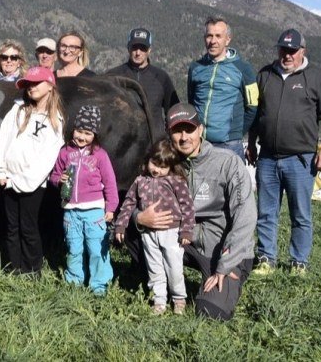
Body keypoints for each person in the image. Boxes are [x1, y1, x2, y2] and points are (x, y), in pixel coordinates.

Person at [125, 103, 256, 321]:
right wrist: (139, 217)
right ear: (169, 133)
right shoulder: (164, 162)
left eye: (190, 129)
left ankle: (225, 280)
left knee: (210, 312)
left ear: (200, 130)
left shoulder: (228, 163)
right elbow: (133, 197)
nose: (184, 137)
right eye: (177, 131)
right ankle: (160, 282)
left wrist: (227, 263)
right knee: (131, 231)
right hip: (182, 239)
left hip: (221, 248)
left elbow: (246, 216)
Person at [246, 29, 321, 275]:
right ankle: (266, 258)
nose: (287, 55)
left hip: (301, 160)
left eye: (292, 51)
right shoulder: (264, 74)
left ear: (302, 52)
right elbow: (256, 114)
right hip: (266, 158)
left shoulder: (316, 78)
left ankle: (299, 262)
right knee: (266, 212)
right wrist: (251, 142)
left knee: (300, 214)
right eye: (283, 50)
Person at [0, 66, 65, 274]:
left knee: (29, 227)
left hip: (32, 184)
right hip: (7, 179)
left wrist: (21, 181)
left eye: (36, 83)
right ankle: (14, 267)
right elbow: (2, 140)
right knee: (11, 227)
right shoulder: (18, 111)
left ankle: (32, 270)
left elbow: (46, 160)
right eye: (28, 84)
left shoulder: (54, 122)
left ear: (50, 86)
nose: (31, 87)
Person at [115, 139, 195, 314]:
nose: (157, 170)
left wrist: (187, 229)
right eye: (154, 163)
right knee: (155, 267)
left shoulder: (176, 181)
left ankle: (179, 298)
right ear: (148, 160)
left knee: (174, 267)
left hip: (171, 232)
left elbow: (187, 206)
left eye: (163, 167)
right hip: (148, 234)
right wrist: (120, 225)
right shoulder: (140, 181)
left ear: (171, 167)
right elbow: (128, 203)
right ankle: (159, 300)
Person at [50, 105, 118, 295]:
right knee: (74, 248)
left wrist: (111, 207)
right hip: (70, 211)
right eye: (79, 131)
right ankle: (74, 281)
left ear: (95, 135)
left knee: (97, 249)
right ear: (73, 129)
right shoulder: (64, 152)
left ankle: (99, 285)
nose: (82, 137)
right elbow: (54, 176)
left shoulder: (100, 155)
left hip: (94, 212)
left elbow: (110, 183)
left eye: (88, 133)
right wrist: (58, 180)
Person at [187, 16, 258, 159]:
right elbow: (192, 101)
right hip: (200, 144)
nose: (213, 41)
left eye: (218, 36)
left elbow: (253, 106)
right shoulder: (195, 68)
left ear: (228, 39)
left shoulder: (244, 69)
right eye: (209, 36)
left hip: (230, 146)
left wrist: (236, 133)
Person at [105, 27, 179, 139]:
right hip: (120, 143)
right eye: (134, 47)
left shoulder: (161, 77)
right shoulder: (113, 75)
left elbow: (174, 110)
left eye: (143, 48)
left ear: (149, 50)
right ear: (128, 48)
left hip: (154, 143)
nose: (138, 53)